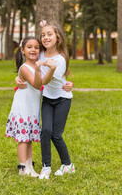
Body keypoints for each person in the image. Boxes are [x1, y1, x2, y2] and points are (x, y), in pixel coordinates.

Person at [16, 20, 75, 180]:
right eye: (43, 35)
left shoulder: (61, 59)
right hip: (48, 99)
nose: (45, 37)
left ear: (58, 37)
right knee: (45, 131)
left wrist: (53, 68)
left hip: (63, 98)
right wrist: (18, 78)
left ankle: (68, 165)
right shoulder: (41, 53)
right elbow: (28, 65)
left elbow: (45, 81)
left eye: (49, 34)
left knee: (56, 134)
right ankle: (46, 167)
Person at [5, 36, 56, 178]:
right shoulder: (25, 68)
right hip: (23, 107)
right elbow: (38, 84)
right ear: (22, 50)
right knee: (23, 138)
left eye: (36, 47)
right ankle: (22, 168)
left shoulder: (38, 66)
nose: (33, 50)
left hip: (33, 108)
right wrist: (39, 71)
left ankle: (28, 165)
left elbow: (47, 81)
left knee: (30, 137)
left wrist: (49, 71)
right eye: (29, 47)